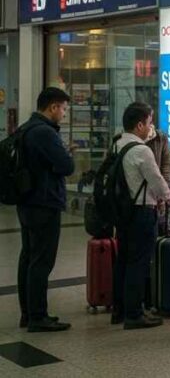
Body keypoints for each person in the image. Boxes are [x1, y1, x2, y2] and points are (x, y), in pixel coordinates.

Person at [17, 87, 75, 332]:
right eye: (62, 108)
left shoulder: (26, 128)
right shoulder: (44, 133)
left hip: (28, 201)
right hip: (44, 202)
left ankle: (28, 313)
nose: (63, 113)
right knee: (41, 261)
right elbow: (66, 166)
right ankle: (37, 316)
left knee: (29, 257)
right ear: (52, 107)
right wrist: (67, 155)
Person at [112, 102, 170, 330]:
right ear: (139, 125)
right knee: (139, 263)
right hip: (142, 211)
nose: (151, 127)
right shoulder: (141, 150)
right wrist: (167, 196)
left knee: (124, 260)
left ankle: (120, 309)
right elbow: (158, 182)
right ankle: (135, 313)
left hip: (123, 211)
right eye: (149, 122)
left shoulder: (117, 144)